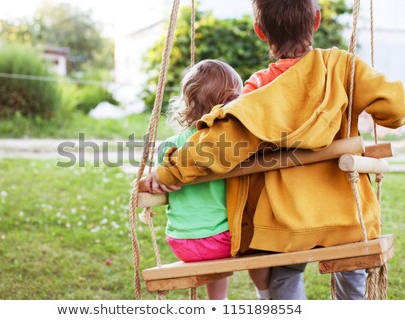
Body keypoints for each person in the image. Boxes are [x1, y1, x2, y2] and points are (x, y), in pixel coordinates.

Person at [145, 0, 404, 300]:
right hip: (348, 219)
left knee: (284, 276)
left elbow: (221, 145)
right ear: (316, 20)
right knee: (352, 276)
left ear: (259, 31)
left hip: (285, 227)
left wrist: (168, 168)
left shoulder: (259, 90)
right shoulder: (343, 67)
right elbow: (395, 109)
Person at [149, 59, 271, 300]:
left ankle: (218, 302)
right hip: (220, 241)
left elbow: (158, 178)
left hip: (181, 242)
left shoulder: (171, 146)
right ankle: (265, 295)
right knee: (258, 239)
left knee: (216, 233)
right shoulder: (228, 145)